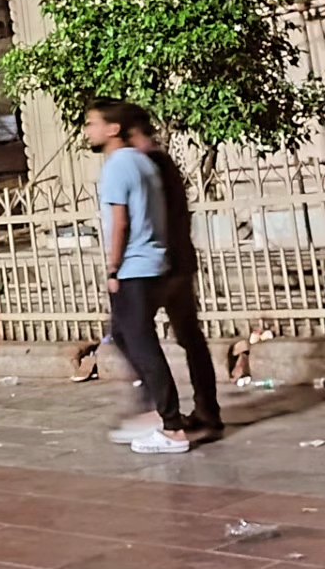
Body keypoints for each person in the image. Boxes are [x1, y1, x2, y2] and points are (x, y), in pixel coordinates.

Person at [84, 98, 189, 454]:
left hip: (133, 267)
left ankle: (172, 426)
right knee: (124, 335)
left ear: (113, 129)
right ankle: (158, 411)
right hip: (152, 263)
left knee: (142, 346)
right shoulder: (143, 162)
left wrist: (113, 268)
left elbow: (121, 222)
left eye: (93, 123)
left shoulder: (117, 166)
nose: (88, 130)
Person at [124, 105, 222, 432]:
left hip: (162, 265)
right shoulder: (162, 162)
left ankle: (163, 410)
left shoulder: (148, 165)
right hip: (178, 260)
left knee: (132, 334)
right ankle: (206, 409)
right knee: (189, 337)